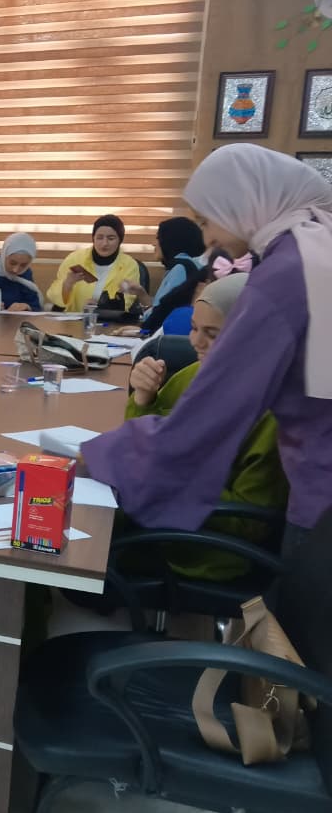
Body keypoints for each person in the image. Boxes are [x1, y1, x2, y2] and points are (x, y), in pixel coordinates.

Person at [81, 144, 332, 558]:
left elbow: (212, 411)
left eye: (206, 220)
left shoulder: (286, 273)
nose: (207, 237)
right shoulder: (317, 247)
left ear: (243, 202)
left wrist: (102, 455)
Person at [120, 273, 287, 579]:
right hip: (159, 512)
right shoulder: (196, 374)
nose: (195, 342)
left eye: (212, 333)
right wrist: (143, 399)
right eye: (194, 328)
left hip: (203, 549)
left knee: (84, 548)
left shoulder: (272, 413)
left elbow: (252, 522)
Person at [120, 216, 205, 332]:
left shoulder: (180, 269)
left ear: (170, 241)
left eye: (158, 238)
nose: (153, 244)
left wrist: (142, 330)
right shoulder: (190, 265)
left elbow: (162, 317)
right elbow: (160, 309)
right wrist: (142, 294)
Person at [45, 214, 141, 313]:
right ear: (93, 238)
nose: (104, 243)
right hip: (74, 319)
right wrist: (67, 284)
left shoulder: (129, 265)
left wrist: (100, 307)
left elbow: (126, 302)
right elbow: (53, 297)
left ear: (120, 240)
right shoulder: (74, 259)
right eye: (99, 238)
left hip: (109, 320)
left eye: (111, 238)